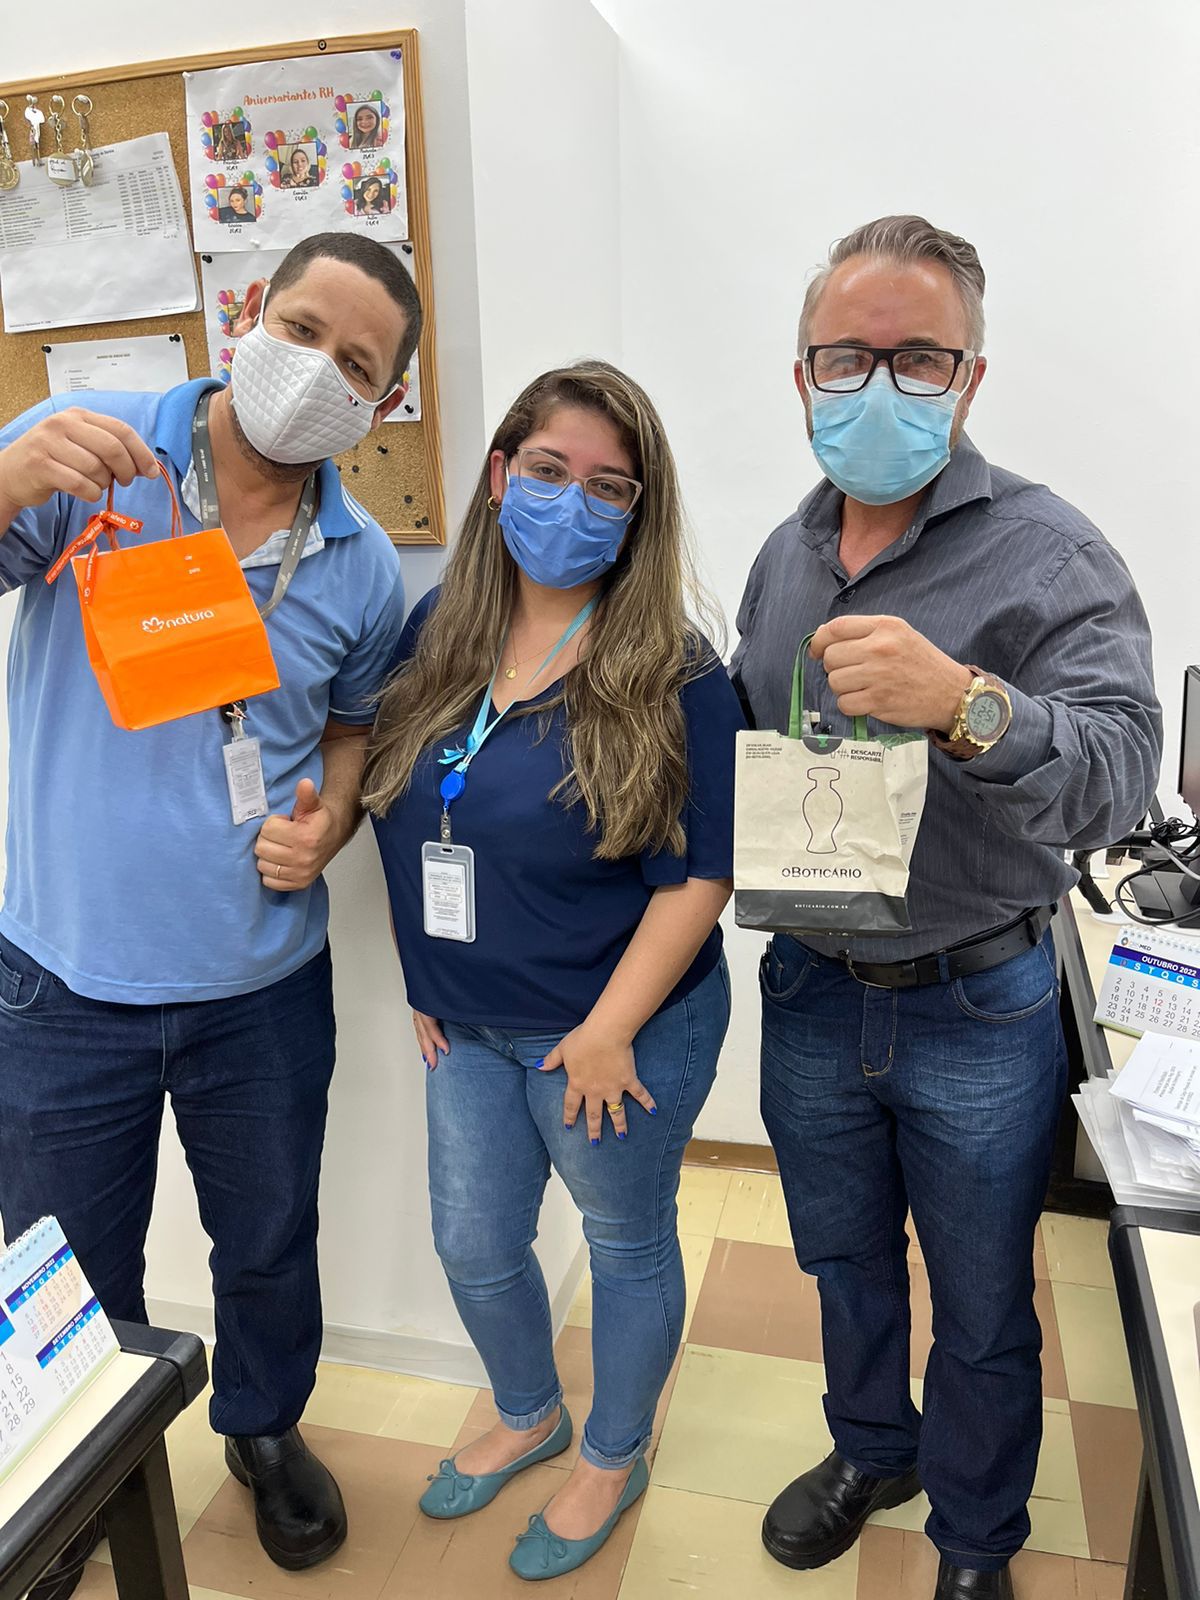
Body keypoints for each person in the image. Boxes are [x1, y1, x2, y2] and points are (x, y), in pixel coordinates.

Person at [730, 215, 1161, 1600]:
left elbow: (1122, 777)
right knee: (844, 1261)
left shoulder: (1051, 554)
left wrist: (969, 706)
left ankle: (977, 1537)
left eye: (918, 356)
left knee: (981, 1304)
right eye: (846, 356)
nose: (879, 383)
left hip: (978, 1001)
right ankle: (874, 1449)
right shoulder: (783, 554)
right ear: (802, 375)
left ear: (971, 378)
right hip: (809, 986)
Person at [0, 231, 420, 1595]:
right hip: (63, 980)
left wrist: (334, 816)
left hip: (261, 988)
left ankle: (263, 1427)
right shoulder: (90, 450)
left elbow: (351, 727)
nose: (318, 370)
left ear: (384, 403)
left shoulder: (360, 565)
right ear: (250, 313)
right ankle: (74, 1477)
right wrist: (6, 478)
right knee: (62, 1268)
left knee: (270, 1238)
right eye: (302, 329)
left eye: (356, 363)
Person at [365, 361, 744, 1582]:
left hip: (611, 1029)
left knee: (624, 1243)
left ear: (638, 513)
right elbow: (408, 808)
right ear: (498, 475)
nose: (572, 501)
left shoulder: (677, 671)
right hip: (466, 1023)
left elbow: (701, 876)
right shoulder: (441, 629)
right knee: (474, 1243)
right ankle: (529, 1410)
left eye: (608, 486)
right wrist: (425, 970)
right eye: (547, 469)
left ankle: (613, 1451)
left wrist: (608, 1029)